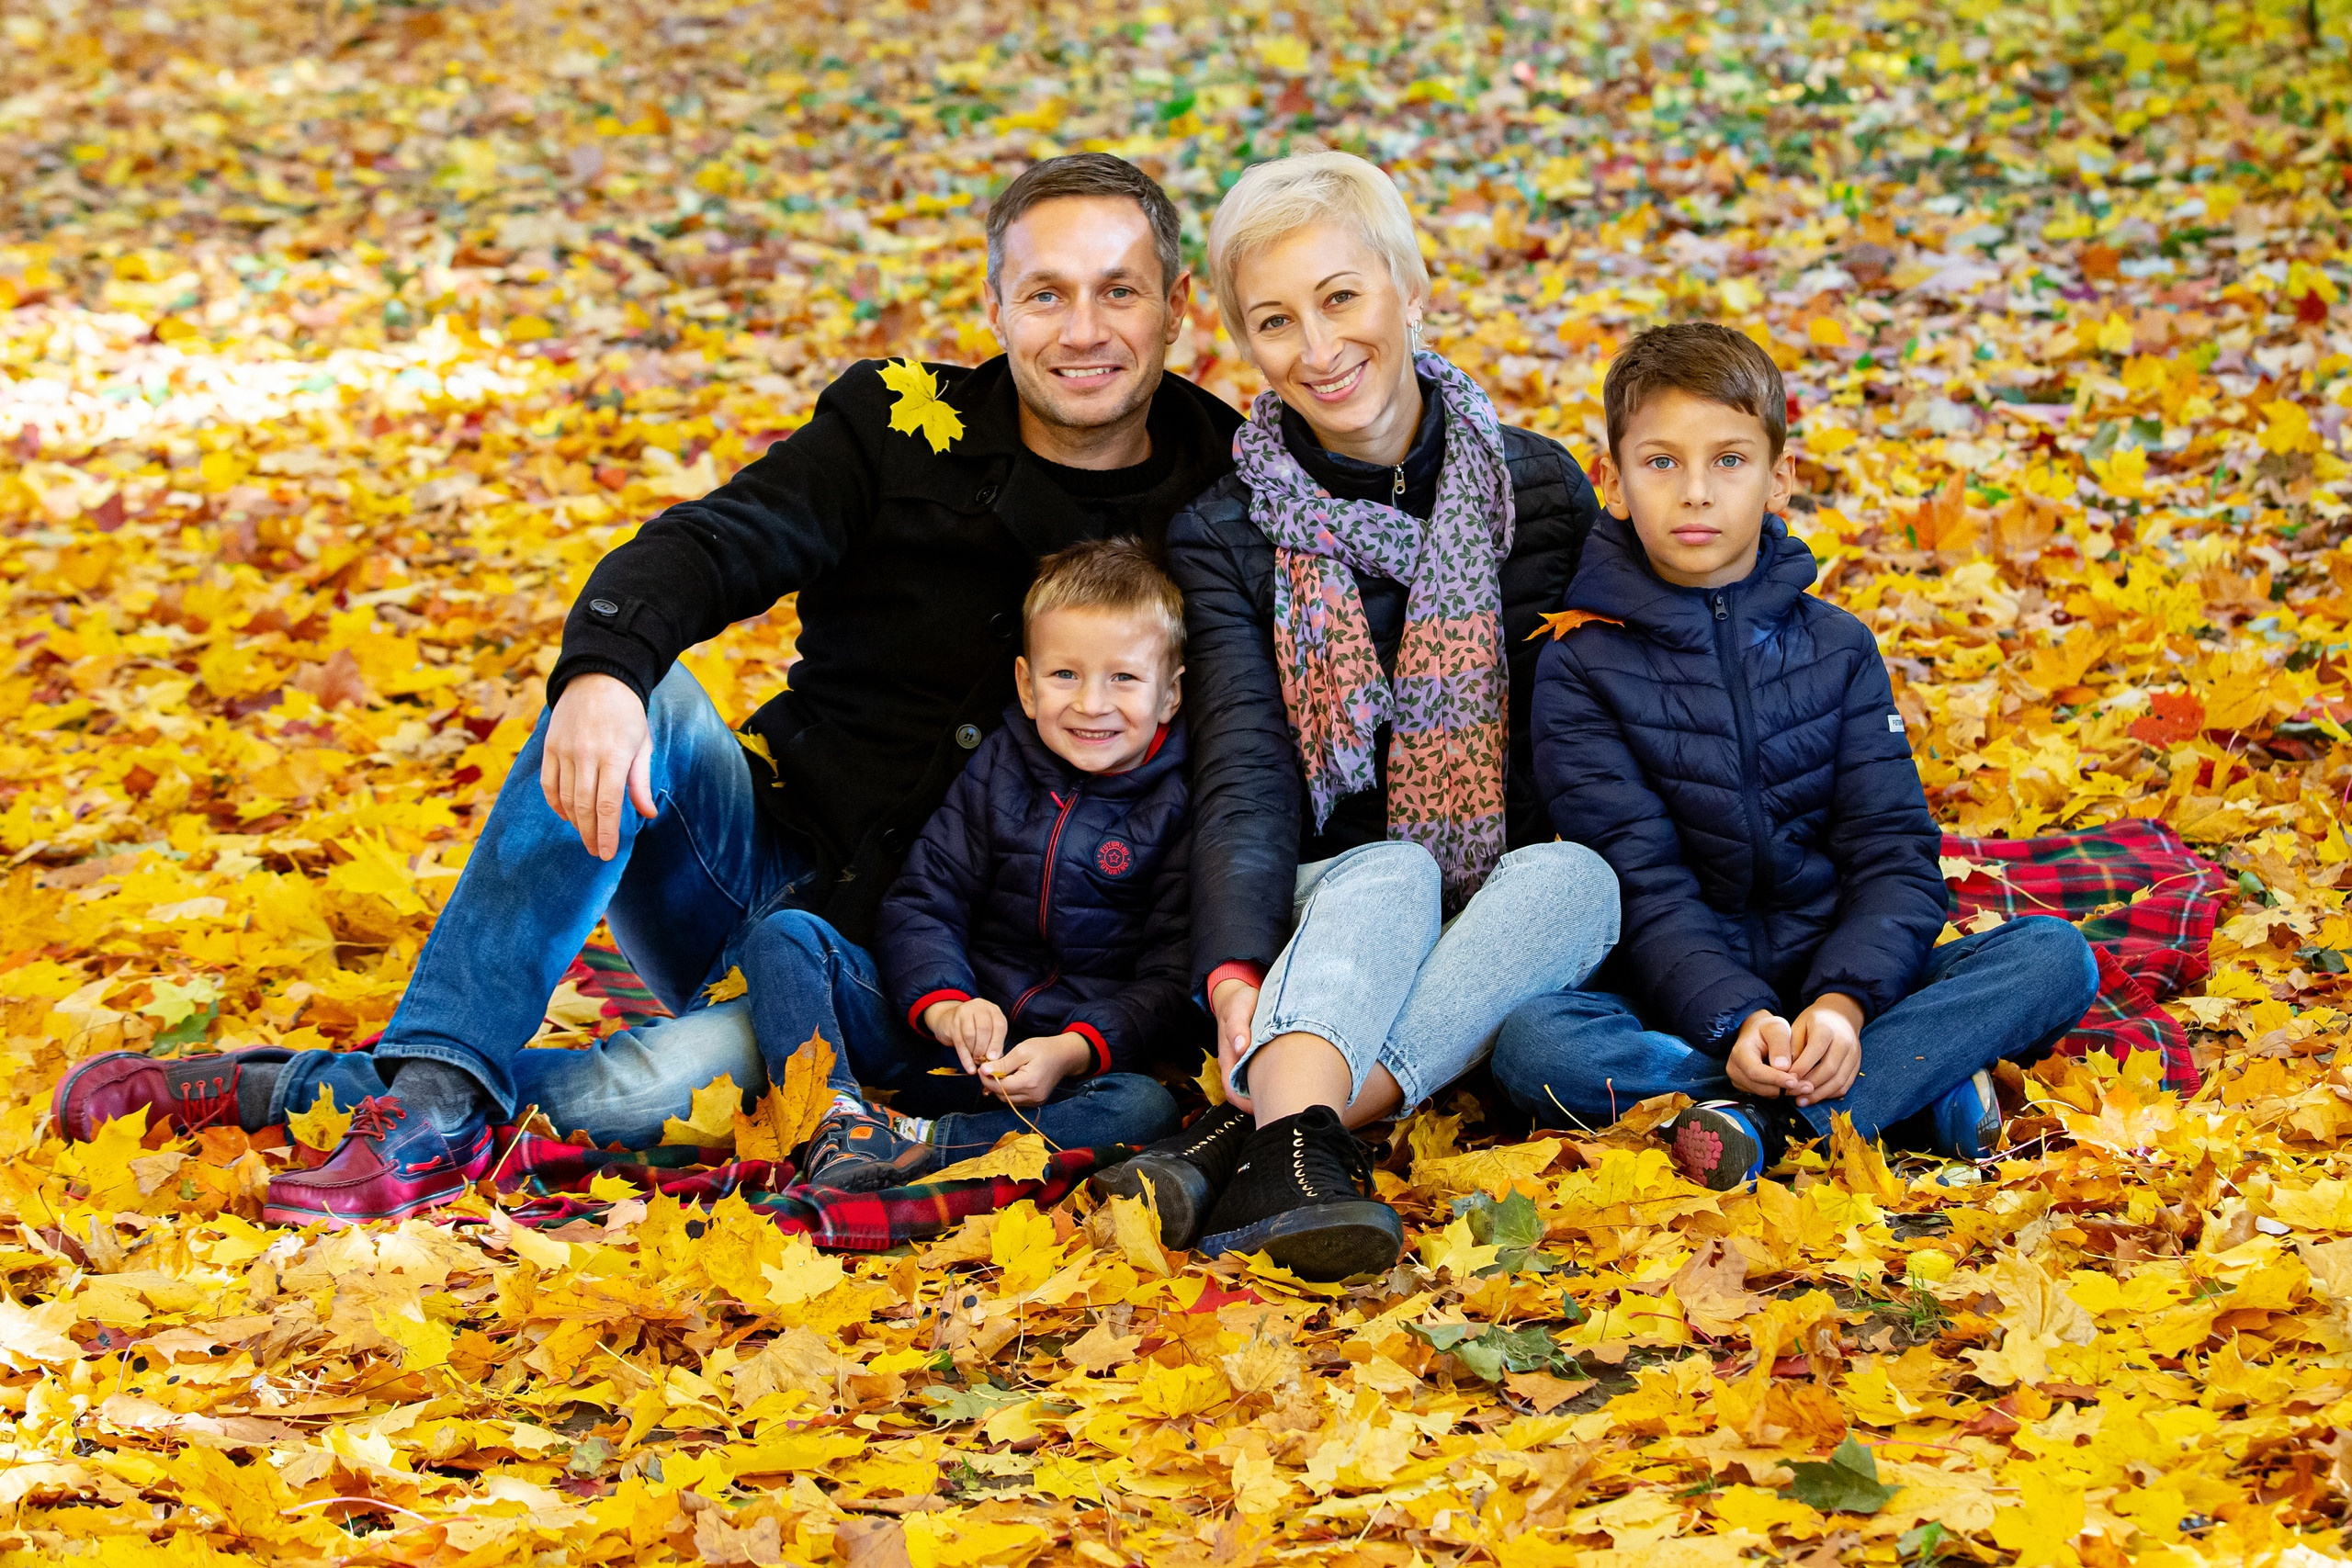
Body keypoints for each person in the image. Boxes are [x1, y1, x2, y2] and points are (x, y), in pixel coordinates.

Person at [51, 154, 1244, 1224]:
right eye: (1046, 292)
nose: (1081, 326)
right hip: (755, 864)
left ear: (1176, 308)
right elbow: (711, 544)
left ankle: (321, 1090)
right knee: (651, 698)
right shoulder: (894, 427)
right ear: (995, 309)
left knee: (641, 1092)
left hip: (912, 986)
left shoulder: (1233, 491)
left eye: (1118, 290)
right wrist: (605, 674)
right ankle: (425, 1091)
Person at [1090, 152, 1617, 1281]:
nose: (1318, 351)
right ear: (1244, 344)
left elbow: (1590, 737)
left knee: (1580, 881)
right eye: (1275, 321)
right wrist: (1231, 966)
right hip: (1321, 904)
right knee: (1391, 871)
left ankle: (1266, 1134)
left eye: (1341, 298)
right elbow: (1244, 764)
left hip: (1491, 913)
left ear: (1408, 291)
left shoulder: (1539, 492)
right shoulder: (1227, 529)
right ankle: (1298, 1129)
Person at [1488, 323, 2100, 1188]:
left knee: (2053, 956)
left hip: (1847, 974)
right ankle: (1904, 1090)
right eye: (1661, 462)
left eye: (1729, 460)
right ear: (1614, 484)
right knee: (1535, 1047)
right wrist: (1733, 1020)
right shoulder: (1582, 664)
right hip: (1676, 995)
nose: (1695, 492)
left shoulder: (1837, 647)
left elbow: (1893, 854)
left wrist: (1845, 1007)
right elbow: (1642, 881)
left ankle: (1767, 1123)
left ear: (1779, 479)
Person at [741, 538, 1196, 1190]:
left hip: (1064, 1073)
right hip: (943, 1040)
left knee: (1144, 1109)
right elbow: (925, 899)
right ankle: (833, 1116)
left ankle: (922, 1143)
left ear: (1170, 695)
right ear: (1027, 685)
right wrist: (948, 1005)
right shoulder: (999, 769)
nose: (1092, 703)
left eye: (1123, 678)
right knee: (786, 936)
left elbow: (1170, 976)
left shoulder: (1180, 803)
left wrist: (1071, 1051)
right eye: (1065, 675)